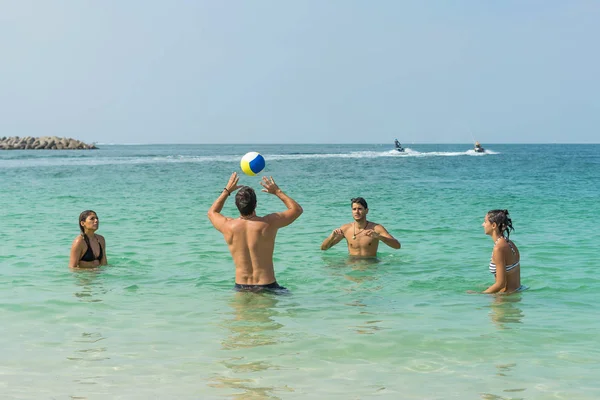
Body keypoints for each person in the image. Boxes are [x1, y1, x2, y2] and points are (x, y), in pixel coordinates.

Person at [207, 172, 303, 292]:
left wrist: (227, 191)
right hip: (268, 287)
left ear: (237, 205)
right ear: (255, 205)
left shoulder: (228, 226)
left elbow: (212, 212)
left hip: (241, 288)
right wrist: (277, 191)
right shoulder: (268, 224)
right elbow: (297, 210)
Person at [320, 197, 400, 257]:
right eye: (354, 209)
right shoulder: (346, 229)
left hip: (370, 266)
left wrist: (379, 237)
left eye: (360, 209)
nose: (356, 212)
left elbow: (397, 246)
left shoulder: (376, 228)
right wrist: (331, 236)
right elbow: (324, 248)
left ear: (366, 211)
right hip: (352, 265)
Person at [480, 209, 521, 294]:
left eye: (485, 221)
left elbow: (501, 284)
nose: (483, 224)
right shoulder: (509, 243)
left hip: (505, 299)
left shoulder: (498, 248)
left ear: (494, 225)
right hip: (516, 293)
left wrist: (480, 295)